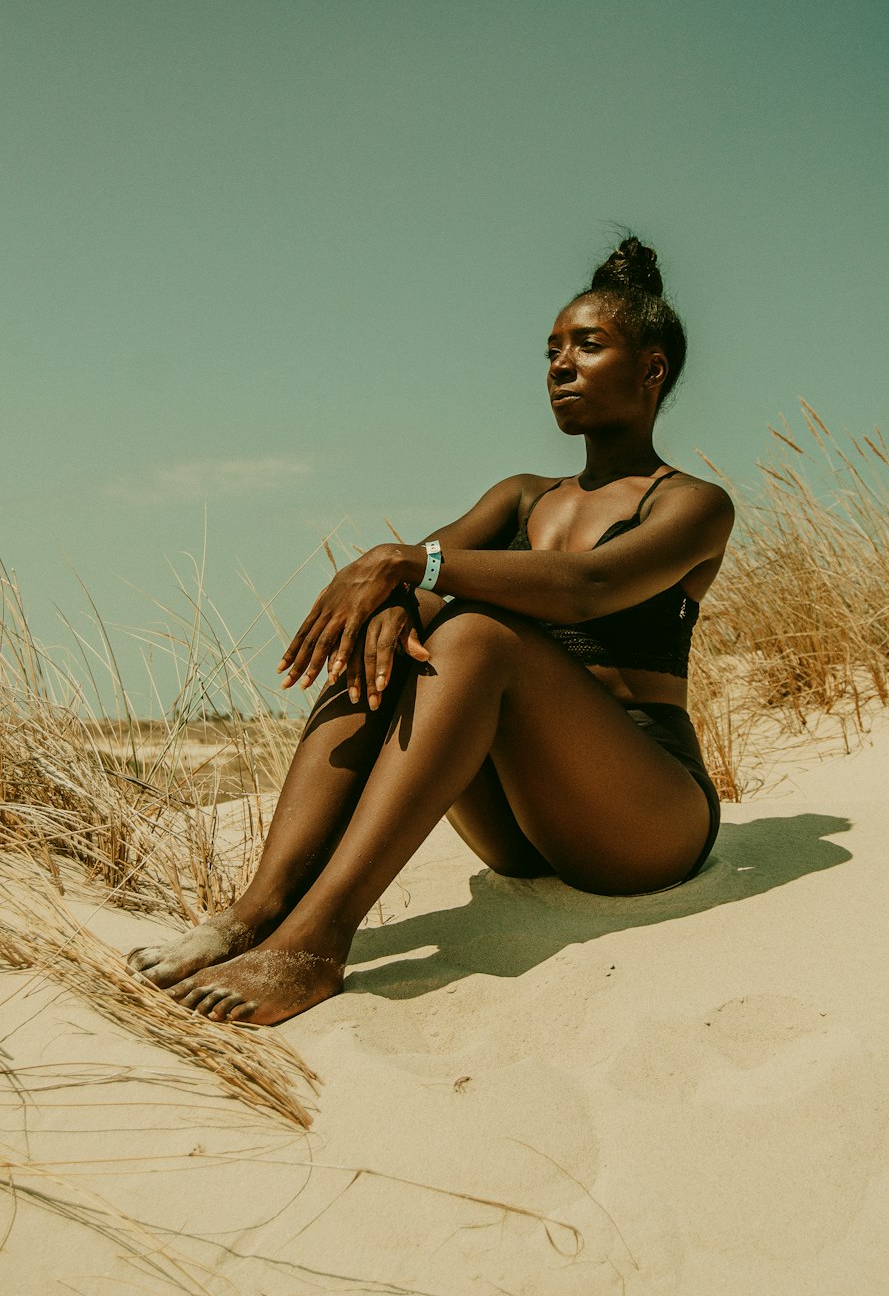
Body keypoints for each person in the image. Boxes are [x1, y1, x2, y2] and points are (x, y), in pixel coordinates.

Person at [127, 235, 734, 1025]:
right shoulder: (519, 498)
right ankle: (254, 912)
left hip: (644, 820)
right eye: (551, 349)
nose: (559, 365)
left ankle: (315, 940)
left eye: (588, 345)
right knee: (386, 622)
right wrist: (389, 598)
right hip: (521, 829)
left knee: (476, 632)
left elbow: (591, 587)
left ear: (651, 370)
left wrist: (409, 564)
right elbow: (408, 589)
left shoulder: (690, 503)